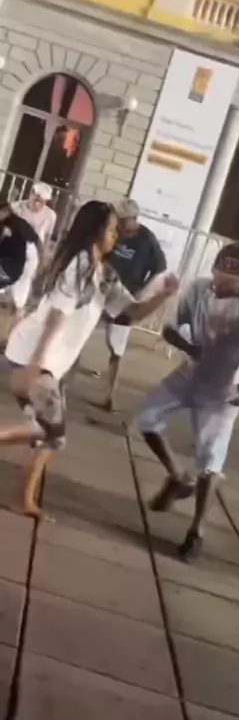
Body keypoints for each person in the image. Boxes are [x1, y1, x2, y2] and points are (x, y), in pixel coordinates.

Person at [2, 200, 178, 520]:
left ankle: (23, 498)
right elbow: (57, 314)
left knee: (47, 433)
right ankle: (22, 499)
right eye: (111, 229)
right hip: (33, 355)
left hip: (48, 362)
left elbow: (130, 313)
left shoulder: (104, 273)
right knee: (51, 433)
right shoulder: (79, 264)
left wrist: (163, 295)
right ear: (95, 230)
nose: (116, 236)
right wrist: (36, 365)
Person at [135, 242, 239, 561]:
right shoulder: (198, 290)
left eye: (232, 279)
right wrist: (190, 348)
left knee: (210, 459)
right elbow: (169, 331)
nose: (223, 283)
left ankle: (196, 531)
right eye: (219, 274)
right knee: (148, 418)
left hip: (225, 388)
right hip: (190, 374)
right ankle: (178, 476)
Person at [101, 198, 167, 411]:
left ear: (134, 218)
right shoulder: (114, 232)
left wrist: (143, 289)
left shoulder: (146, 239)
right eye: (118, 220)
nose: (120, 224)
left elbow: (160, 266)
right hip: (103, 288)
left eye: (123, 220)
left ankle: (110, 395)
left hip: (125, 296)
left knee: (117, 347)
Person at [6, 183, 57, 332]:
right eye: (37, 198)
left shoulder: (50, 216)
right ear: (31, 193)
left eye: (43, 201)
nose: (39, 203)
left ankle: (11, 331)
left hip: (31, 256)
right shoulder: (17, 208)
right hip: (13, 251)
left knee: (21, 294)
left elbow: (46, 239)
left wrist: (44, 259)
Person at [0, 202, 41, 299]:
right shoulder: (15, 223)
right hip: (13, 267)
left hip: (13, 265)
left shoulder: (15, 223)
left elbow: (35, 239)